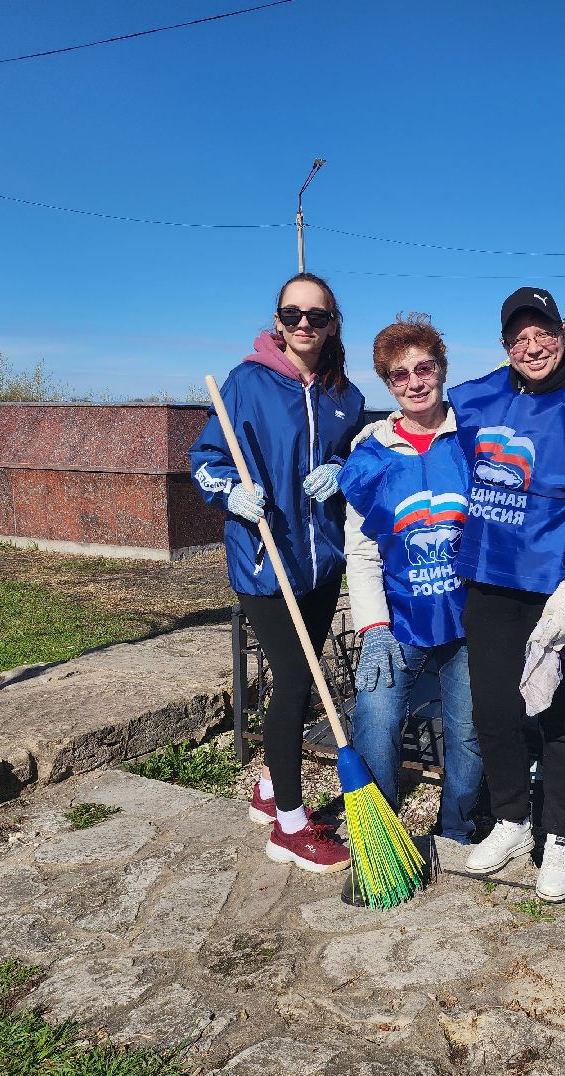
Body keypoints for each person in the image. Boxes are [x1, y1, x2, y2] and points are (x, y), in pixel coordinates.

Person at [190, 272, 365, 873]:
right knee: (294, 682)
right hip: (266, 564)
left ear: (333, 322)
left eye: (317, 317)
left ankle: (269, 786)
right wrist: (231, 491)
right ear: (278, 321)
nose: (304, 327)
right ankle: (288, 823)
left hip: (321, 565)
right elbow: (204, 462)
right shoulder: (246, 384)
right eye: (293, 315)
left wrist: (342, 471)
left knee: (305, 677)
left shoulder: (347, 395)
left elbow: (350, 459)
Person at [447, 287, 565, 902]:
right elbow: (428, 418)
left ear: (562, 335)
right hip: (490, 578)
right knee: (494, 707)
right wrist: (372, 436)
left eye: (542, 332)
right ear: (505, 345)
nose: (532, 345)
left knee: (561, 716)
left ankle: (560, 836)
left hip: (553, 587)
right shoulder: (489, 393)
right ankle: (512, 818)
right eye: (519, 336)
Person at [339, 313, 480, 845]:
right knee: (375, 718)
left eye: (425, 368)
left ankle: (456, 828)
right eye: (400, 375)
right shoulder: (370, 453)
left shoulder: (471, 440)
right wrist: (373, 626)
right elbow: (362, 548)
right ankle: (378, 835)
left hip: (467, 618)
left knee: (468, 731)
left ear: (442, 369)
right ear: (387, 383)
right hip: (399, 618)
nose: (416, 382)